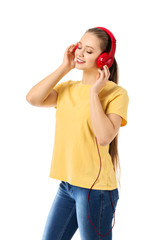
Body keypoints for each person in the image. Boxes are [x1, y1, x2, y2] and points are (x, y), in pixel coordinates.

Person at [26, 27, 129, 240]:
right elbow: (33, 99)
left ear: (104, 59)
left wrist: (94, 93)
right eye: (79, 47)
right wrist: (65, 66)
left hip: (96, 191)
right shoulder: (67, 88)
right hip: (68, 185)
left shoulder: (116, 94)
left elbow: (104, 137)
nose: (80, 53)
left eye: (89, 51)